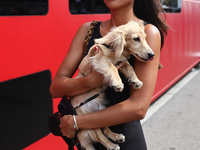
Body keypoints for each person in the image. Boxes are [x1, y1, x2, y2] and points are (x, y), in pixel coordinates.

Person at [50, 0, 170, 149]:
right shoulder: (87, 30)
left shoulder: (147, 32)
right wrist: (92, 81)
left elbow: (138, 108)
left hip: (126, 142)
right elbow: (55, 88)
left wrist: (76, 122)